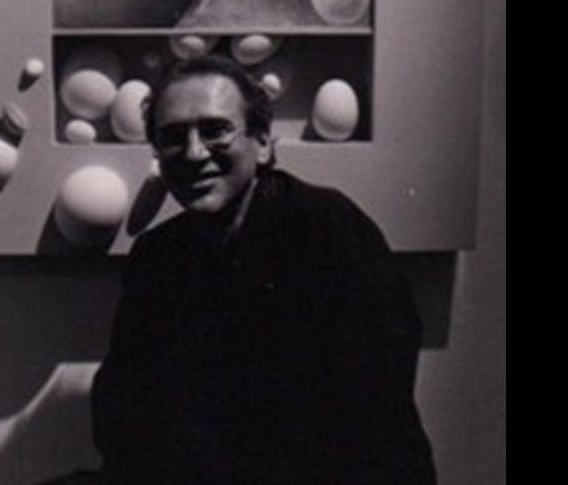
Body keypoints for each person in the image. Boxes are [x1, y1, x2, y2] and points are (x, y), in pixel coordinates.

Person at [89, 55, 436, 484]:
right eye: (173, 137)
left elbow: (369, 414)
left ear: (264, 142)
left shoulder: (327, 229)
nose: (194, 153)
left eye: (215, 130)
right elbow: (120, 414)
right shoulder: (157, 256)